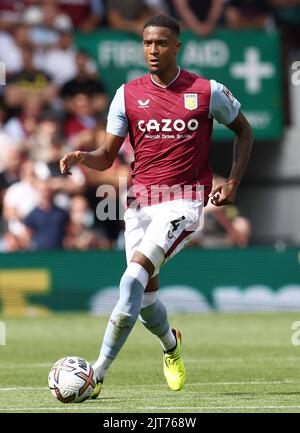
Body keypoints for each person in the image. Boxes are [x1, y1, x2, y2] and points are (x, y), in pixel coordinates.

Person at [60, 14, 252, 397]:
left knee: (131, 279)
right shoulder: (126, 94)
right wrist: (84, 157)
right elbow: (107, 156)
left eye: (161, 43)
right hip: (139, 204)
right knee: (145, 301)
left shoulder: (206, 90)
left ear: (177, 46)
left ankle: (96, 374)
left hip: (183, 201)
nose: (153, 50)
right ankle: (171, 345)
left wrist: (232, 182)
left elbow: (243, 131)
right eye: (147, 43)